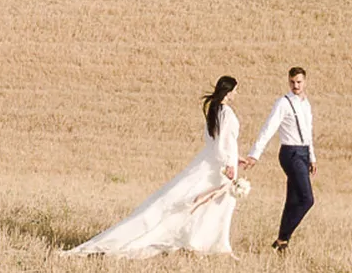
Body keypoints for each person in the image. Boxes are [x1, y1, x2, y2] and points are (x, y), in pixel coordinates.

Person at [63, 76, 249, 258]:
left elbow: (220, 142)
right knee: (207, 203)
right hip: (220, 166)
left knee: (208, 204)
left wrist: (235, 157)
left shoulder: (216, 110)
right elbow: (221, 143)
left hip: (217, 161)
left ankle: (202, 242)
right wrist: (227, 164)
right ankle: (207, 243)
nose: (237, 94)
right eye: (235, 90)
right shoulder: (225, 112)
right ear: (229, 91)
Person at [242, 66, 316, 253]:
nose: (295, 86)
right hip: (290, 153)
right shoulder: (283, 103)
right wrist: (254, 154)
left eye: (299, 82)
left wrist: (312, 157)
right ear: (288, 81)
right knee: (307, 199)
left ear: (305, 82)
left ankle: (283, 243)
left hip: (303, 152)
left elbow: (308, 133)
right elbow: (269, 129)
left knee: (292, 199)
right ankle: (282, 238)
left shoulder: (306, 104)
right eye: (292, 82)